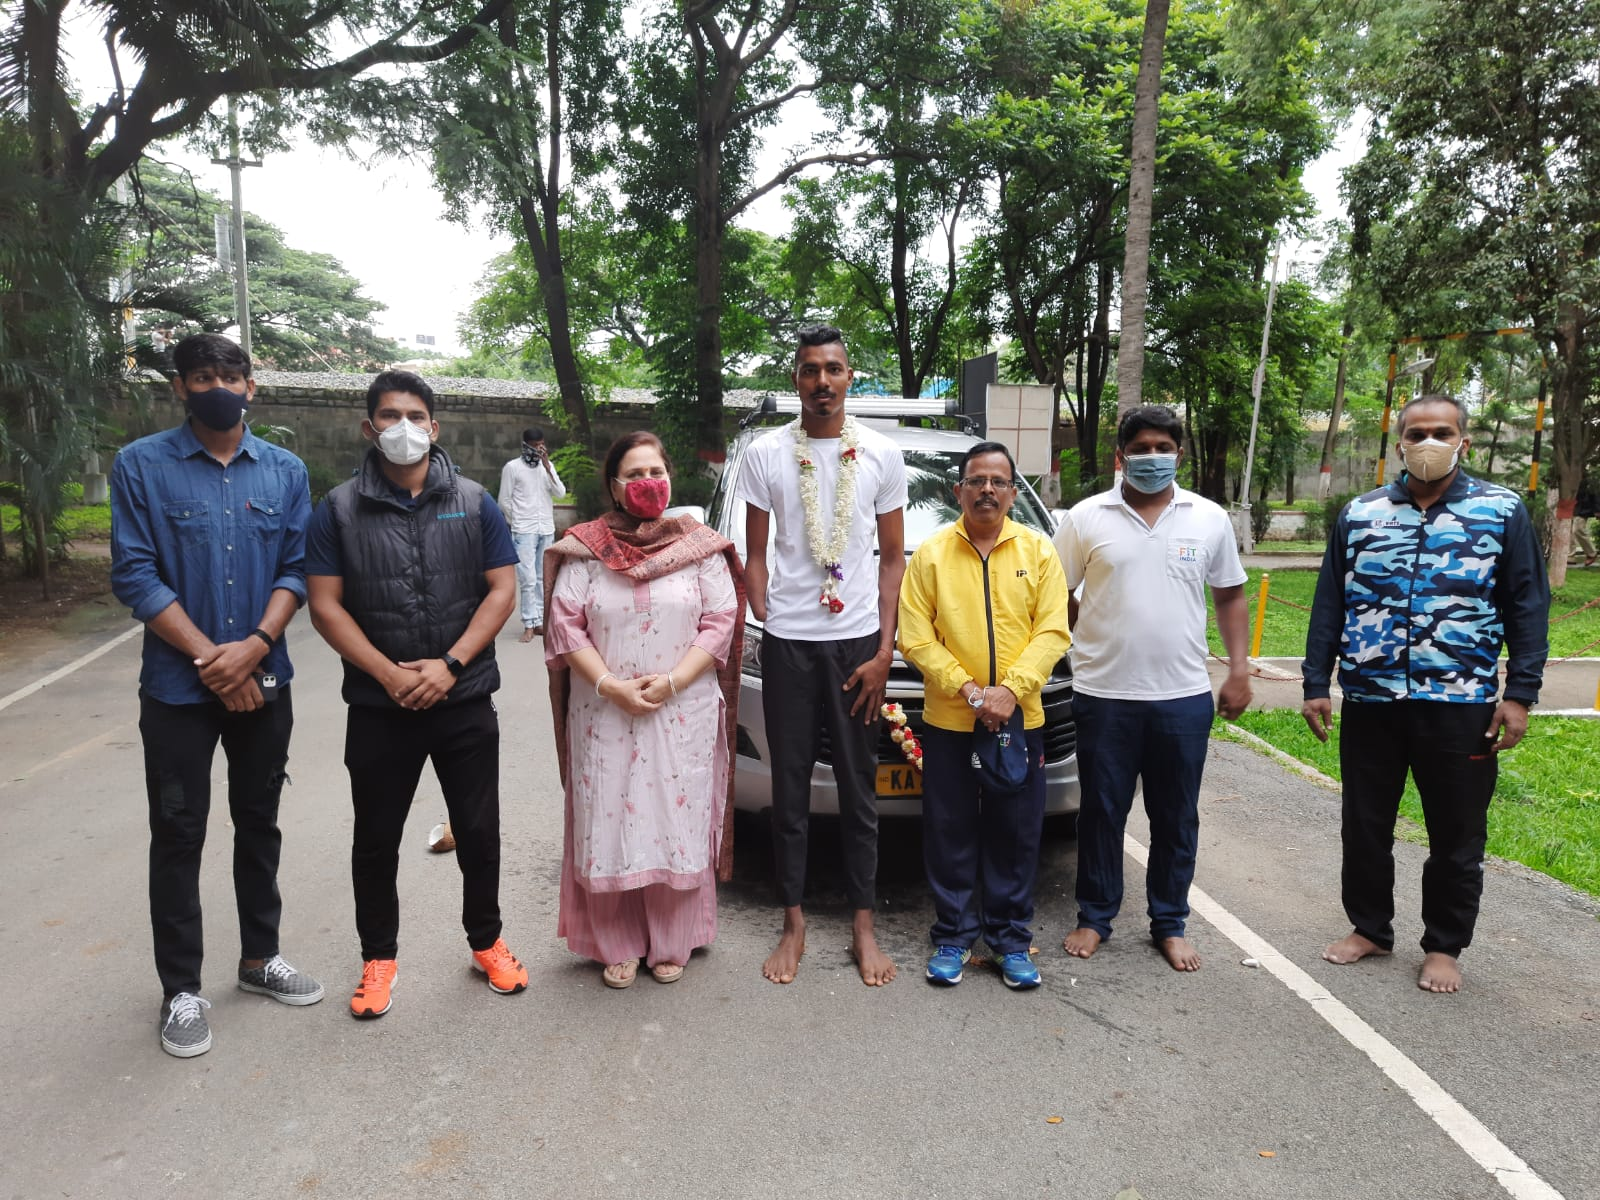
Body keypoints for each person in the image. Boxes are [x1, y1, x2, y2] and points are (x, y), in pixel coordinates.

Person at [110, 332, 322, 1059]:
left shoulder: (286, 472)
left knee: (259, 821)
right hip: (177, 690)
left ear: (251, 386)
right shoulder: (141, 466)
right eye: (202, 376)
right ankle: (181, 990)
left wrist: (254, 649)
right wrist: (212, 659)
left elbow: (297, 569)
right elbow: (135, 576)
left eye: (230, 375)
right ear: (181, 387)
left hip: (266, 677)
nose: (218, 387)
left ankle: (261, 959)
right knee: (178, 834)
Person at [1302, 392, 1549, 994]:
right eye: (1417, 433)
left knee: (1457, 832)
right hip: (1372, 701)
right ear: (1400, 444)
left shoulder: (1500, 510)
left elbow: (1527, 605)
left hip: (1461, 705)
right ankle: (1370, 928)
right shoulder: (1361, 514)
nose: (1428, 443)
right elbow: (1330, 601)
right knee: (1364, 824)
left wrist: (1518, 694)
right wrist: (1316, 684)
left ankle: (1444, 945)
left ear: (1464, 440)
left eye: (1442, 431)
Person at [306, 369, 526, 1019]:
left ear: (435, 425)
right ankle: (378, 959)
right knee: (375, 838)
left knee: (479, 832)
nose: (403, 427)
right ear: (368, 427)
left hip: (463, 700)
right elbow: (324, 606)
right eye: (388, 415)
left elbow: (501, 590)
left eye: (415, 415)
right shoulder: (339, 509)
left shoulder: (475, 500)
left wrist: (450, 666)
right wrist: (389, 673)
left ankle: (486, 942)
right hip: (381, 708)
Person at [736, 325, 908, 986]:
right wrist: (766, 609)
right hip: (789, 648)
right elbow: (756, 550)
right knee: (789, 788)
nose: (822, 382)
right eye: (810, 370)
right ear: (796, 380)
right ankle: (794, 922)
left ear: (850, 376)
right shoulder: (766, 453)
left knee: (861, 787)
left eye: (833, 369)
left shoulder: (881, 456)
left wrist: (884, 646)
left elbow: (892, 560)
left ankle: (863, 927)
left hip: (858, 646)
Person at [1053, 404, 1252, 973]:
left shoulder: (1208, 518)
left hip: (1182, 697)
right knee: (1101, 814)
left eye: (1163, 448)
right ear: (1121, 456)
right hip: (1102, 695)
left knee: (1176, 816)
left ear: (1179, 455)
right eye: (1141, 448)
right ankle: (1095, 917)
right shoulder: (1086, 518)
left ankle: (1169, 922)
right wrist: (1085, 637)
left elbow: (1231, 595)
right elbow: (1055, 594)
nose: (1152, 458)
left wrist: (1238, 670)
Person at [543, 432, 745, 987]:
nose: (648, 484)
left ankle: (672, 940)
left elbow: (721, 619)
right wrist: (610, 685)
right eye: (634, 475)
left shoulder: (698, 545)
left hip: (683, 710)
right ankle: (617, 942)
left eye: (656, 472)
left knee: (674, 815)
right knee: (609, 817)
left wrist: (674, 681)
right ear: (614, 486)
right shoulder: (586, 548)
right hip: (604, 710)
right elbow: (565, 624)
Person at [897, 442, 1070, 989]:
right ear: (959, 492)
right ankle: (952, 933)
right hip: (951, 719)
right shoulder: (931, 555)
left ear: (1014, 492)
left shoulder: (1039, 552)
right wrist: (970, 690)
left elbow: (1053, 630)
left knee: (1015, 832)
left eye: (998, 481)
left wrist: (1010, 692)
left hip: (1022, 720)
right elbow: (914, 636)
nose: (987, 490)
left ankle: (1010, 940)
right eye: (976, 481)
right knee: (950, 829)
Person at [500, 427, 566, 641]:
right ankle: (529, 623)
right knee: (527, 579)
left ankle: (539, 622)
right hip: (524, 531)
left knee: (541, 578)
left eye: (541, 445)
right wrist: (517, 522)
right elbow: (504, 501)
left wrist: (548, 467)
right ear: (526, 444)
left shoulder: (547, 467)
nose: (539, 449)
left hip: (546, 528)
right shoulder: (512, 468)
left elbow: (561, 493)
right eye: (535, 445)